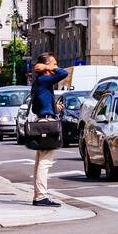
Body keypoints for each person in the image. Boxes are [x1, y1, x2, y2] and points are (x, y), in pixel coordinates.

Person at [30, 53, 68, 207]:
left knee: (40, 161)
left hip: (43, 120)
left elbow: (36, 107)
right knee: (45, 162)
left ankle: (38, 195)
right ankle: (41, 197)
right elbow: (64, 73)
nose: (55, 66)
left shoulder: (40, 82)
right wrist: (49, 67)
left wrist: (54, 108)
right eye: (54, 63)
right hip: (46, 123)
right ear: (46, 66)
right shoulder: (44, 79)